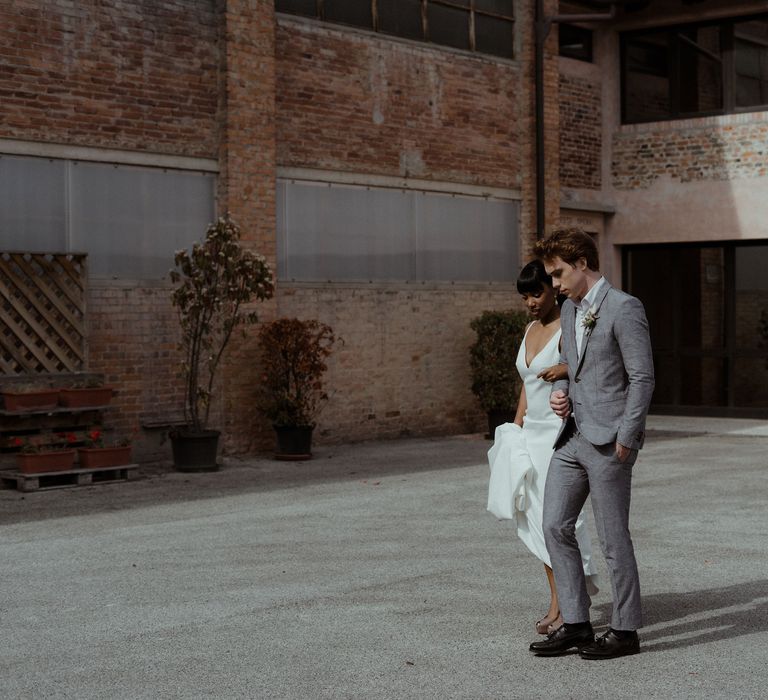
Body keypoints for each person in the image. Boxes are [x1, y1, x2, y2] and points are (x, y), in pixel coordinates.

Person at [528, 228, 654, 660]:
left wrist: (628, 436)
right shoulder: (568, 311)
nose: (555, 284)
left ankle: (625, 630)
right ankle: (578, 624)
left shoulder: (624, 308)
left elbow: (641, 377)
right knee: (553, 525)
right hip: (573, 436)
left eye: (559, 273)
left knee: (612, 537)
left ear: (582, 263)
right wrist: (564, 391)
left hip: (610, 441)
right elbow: (576, 368)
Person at [487, 259, 598, 636]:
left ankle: (569, 608)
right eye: (525, 296)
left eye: (537, 293)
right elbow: (526, 384)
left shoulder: (570, 325)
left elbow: (587, 365)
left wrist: (563, 370)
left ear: (553, 290)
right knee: (537, 525)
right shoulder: (530, 327)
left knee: (561, 523)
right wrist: (515, 427)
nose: (531, 302)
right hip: (529, 435)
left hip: (559, 435)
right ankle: (558, 603)